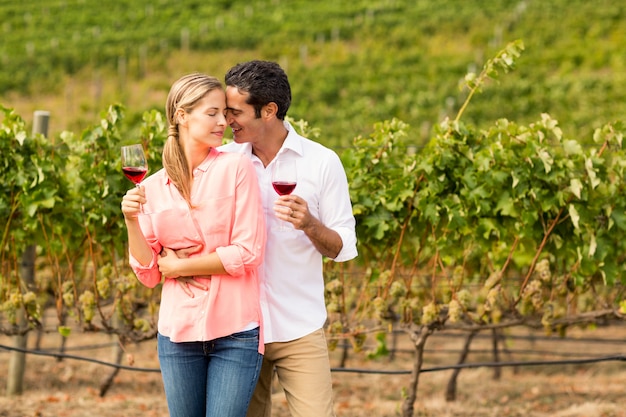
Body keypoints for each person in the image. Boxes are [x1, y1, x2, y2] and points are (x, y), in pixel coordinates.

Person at [121, 73, 266, 417]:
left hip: (235, 332)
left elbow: (248, 252)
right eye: (212, 113)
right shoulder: (154, 186)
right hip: (177, 333)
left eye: (225, 113)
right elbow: (148, 272)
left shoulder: (236, 168)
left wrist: (180, 266)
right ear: (182, 116)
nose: (223, 122)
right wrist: (131, 221)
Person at [220, 60, 358, 417]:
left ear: (269, 111)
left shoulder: (321, 162)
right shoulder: (224, 162)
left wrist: (310, 224)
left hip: (300, 327)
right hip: (240, 330)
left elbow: (343, 247)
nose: (226, 121)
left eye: (235, 112)